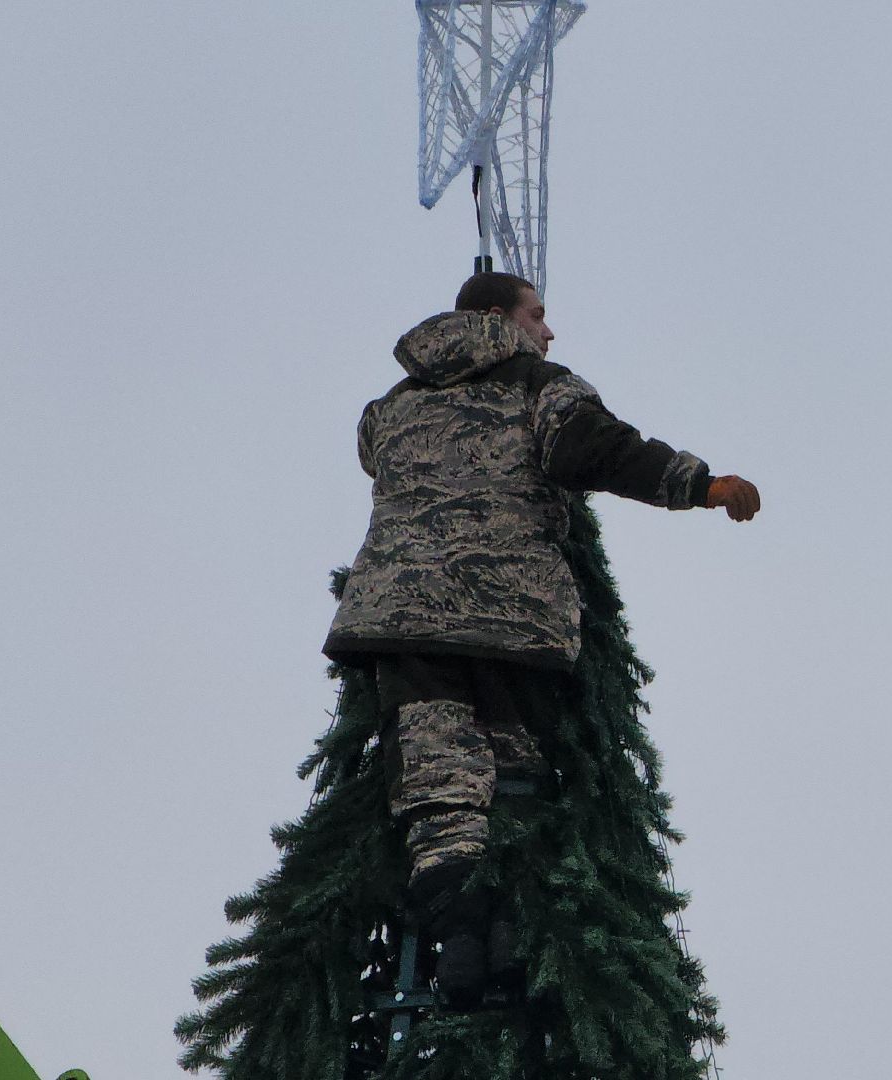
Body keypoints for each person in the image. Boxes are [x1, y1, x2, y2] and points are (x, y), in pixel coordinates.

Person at [323, 271, 759, 1007]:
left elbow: (372, 457)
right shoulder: (538, 386)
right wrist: (701, 485)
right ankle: (507, 949)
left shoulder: (388, 408)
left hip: (401, 623)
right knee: (513, 778)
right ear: (500, 318)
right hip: (507, 619)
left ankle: (456, 946)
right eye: (539, 315)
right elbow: (599, 451)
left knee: (438, 790)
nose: (549, 331)